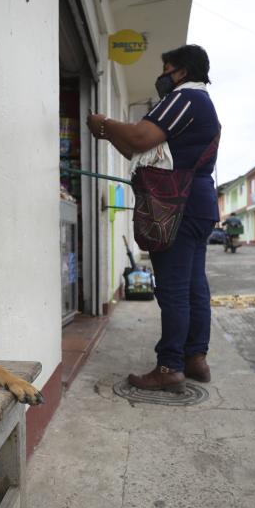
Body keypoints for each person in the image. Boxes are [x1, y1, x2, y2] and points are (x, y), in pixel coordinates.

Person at [87, 45, 220, 391]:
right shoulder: (202, 103)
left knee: (174, 289)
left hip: (177, 205)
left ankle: (169, 366)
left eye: (166, 68)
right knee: (193, 286)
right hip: (198, 205)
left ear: (181, 71)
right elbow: (134, 148)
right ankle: (195, 359)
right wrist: (109, 132)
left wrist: (103, 123)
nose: (161, 75)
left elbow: (140, 136)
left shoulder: (185, 98)